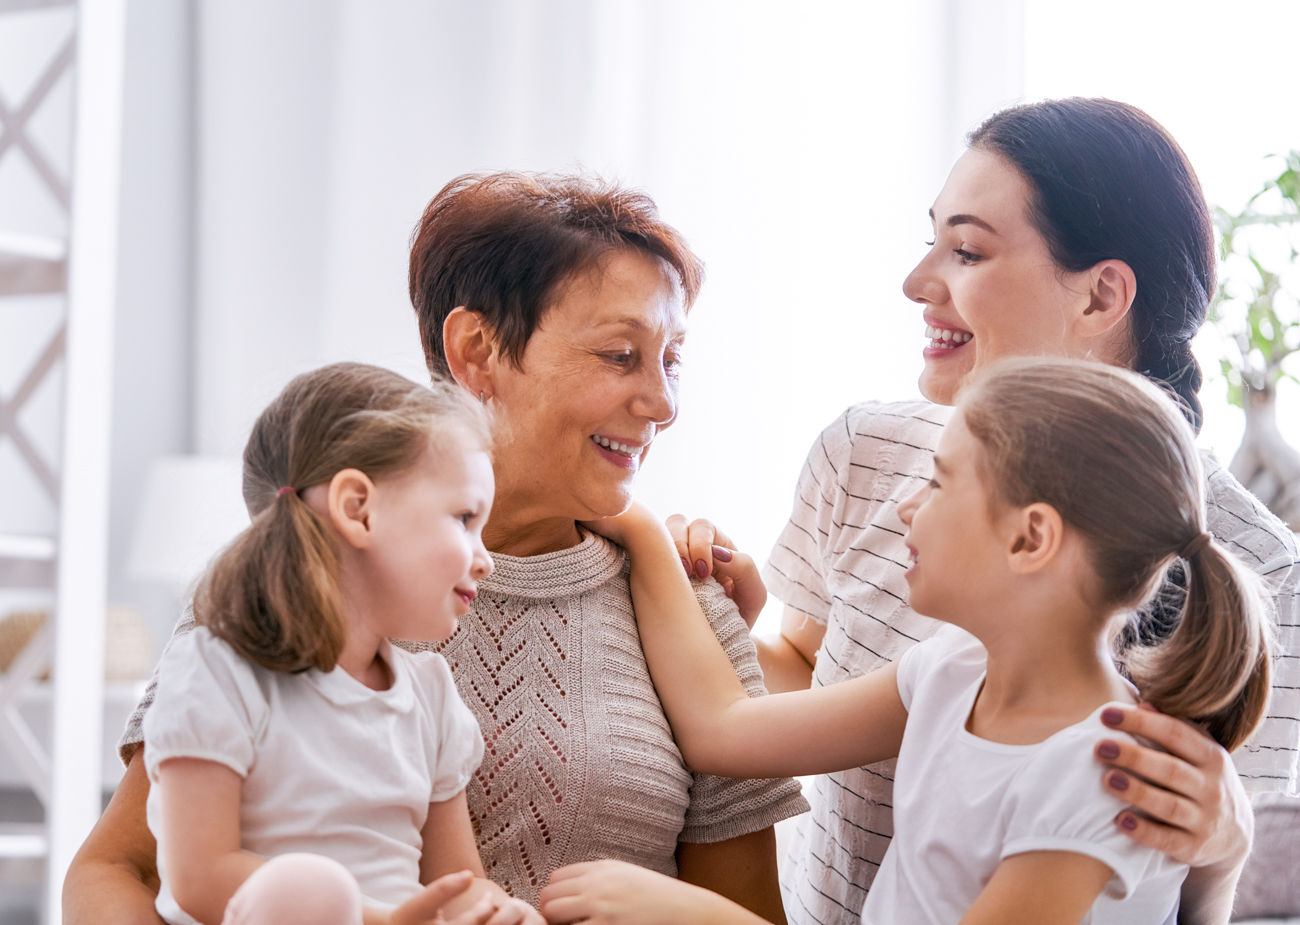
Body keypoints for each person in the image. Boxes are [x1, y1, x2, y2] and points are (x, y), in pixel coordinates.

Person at [63, 173, 806, 923]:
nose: (664, 402)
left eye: (672, 358)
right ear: (477, 351)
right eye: (620, 354)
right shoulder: (287, 579)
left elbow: (745, 912)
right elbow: (113, 871)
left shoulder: (689, 609)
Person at [667, 98, 1300, 923]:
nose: (916, 282)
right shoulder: (865, 451)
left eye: (965, 249)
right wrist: (727, 625)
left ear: (1103, 295)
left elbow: (1183, 896)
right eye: (929, 240)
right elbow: (800, 671)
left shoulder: (1261, 572)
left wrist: (1222, 849)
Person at [541, 357, 1276, 925]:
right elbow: (722, 728)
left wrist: (696, 912)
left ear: (1030, 537)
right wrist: (638, 528)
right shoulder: (953, 670)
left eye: (938, 481)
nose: (903, 506)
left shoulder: (1095, 774)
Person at [144, 363, 541, 925]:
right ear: (358, 508)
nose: (485, 558)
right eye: (464, 518)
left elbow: (458, 885)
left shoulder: (430, 696)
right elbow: (198, 878)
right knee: (309, 887)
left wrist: (496, 912)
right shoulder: (216, 671)